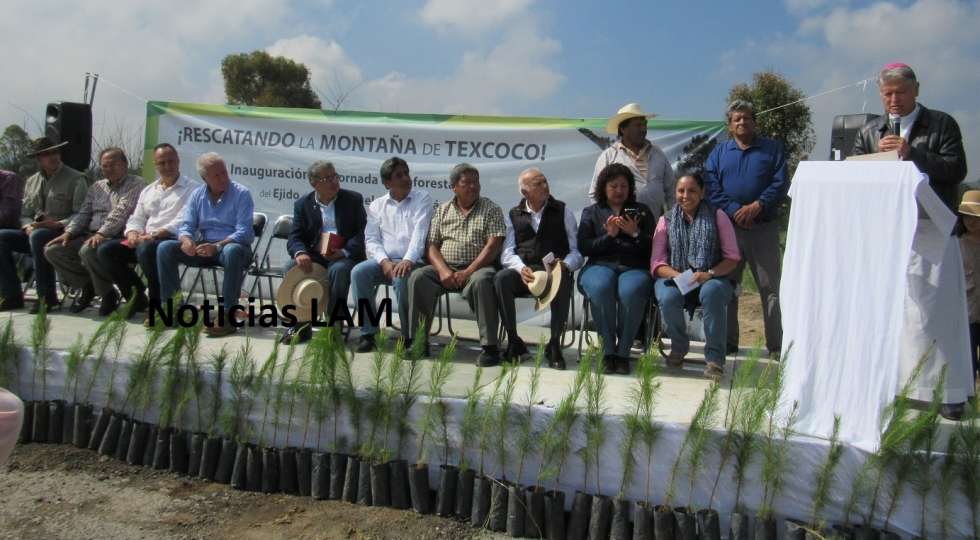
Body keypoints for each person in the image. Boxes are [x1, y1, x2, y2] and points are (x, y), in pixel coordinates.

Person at [704, 99, 788, 358]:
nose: (742, 122)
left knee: (771, 288)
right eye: (736, 119)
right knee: (726, 286)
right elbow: (711, 185)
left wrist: (757, 206)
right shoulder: (719, 153)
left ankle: (776, 346)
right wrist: (734, 210)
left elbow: (780, 182)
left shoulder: (773, 149)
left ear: (755, 121)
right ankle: (728, 343)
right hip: (728, 229)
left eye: (747, 118)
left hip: (763, 227)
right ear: (729, 125)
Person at [408, 163, 506, 366]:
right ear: (454, 187)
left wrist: (468, 271)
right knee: (419, 277)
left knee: (482, 281)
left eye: (476, 182)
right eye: (467, 183)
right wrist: (443, 270)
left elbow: (493, 245)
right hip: (446, 268)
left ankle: (489, 348)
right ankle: (419, 342)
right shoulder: (442, 210)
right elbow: (431, 245)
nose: (473, 187)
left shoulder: (491, 209)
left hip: (477, 267)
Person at [651, 172, 741, 381]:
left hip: (712, 276)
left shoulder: (718, 215)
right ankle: (679, 346)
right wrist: (680, 276)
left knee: (712, 293)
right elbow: (657, 263)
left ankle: (715, 359)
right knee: (668, 297)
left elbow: (732, 258)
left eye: (692, 191)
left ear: (702, 193)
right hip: (676, 275)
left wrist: (708, 274)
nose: (685, 195)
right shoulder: (666, 220)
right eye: (681, 191)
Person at [95, 143, 200, 319]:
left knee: (147, 250)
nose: (167, 167)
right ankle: (136, 298)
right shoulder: (149, 190)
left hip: (172, 240)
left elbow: (184, 220)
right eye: (161, 163)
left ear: (178, 162)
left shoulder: (193, 189)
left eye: (170, 161)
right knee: (106, 251)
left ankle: (158, 305)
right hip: (145, 239)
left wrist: (153, 235)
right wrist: (132, 233)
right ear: (156, 165)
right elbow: (137, 217)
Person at [157, 152, 255, 337]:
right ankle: (172, 308)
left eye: (224, 172)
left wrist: (217, 246)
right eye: (216, 175)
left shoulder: (241, 193)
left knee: (232, 251)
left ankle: (227, 314)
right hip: (204, 245)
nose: (223, 178)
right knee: (164, 248)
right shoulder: (197, 196)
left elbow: (244, 232)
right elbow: (186, 226)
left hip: (232, 245)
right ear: (205, 178)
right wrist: (186, 241)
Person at [495, 167, 582, 368]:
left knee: (564, 281)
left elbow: (576, 250)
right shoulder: (514, 214)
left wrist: (565, 264)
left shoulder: (562, 210)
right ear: (525, 192)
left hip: (554, 273)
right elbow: (507, 252)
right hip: (526, 273)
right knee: (501, 279)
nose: (545, 186)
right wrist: (520, 268)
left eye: (545, 181)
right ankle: (514, 340)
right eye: (538, 183)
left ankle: (554, 344)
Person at [853, 63, 967, 210]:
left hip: (929, 220)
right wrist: (877, 159)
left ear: (916, 89)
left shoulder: (942, 124)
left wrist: (911, 153)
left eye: (900, 92)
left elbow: (956, 171)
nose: (894, 100)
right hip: (885, 213)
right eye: (888, 94)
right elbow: (854, 177)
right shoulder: (867, 132)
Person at [44, 148, 144, 315]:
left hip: (117, 236)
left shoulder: (136, 183)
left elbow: (121, 213)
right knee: (53, 250)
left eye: (113, 165)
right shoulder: (97, 187)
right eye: (104, 166)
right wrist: (69, 232)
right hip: (90, 233)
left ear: (125, 164)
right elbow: (83, 213)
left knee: (88, 250)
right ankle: (88, 285)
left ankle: (107, 295)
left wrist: (101, 234)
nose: (108, 169)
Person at [578, 163, 654, 374]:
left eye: (624, 186)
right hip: (599, 265)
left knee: (631, 290)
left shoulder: (642, 211)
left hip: (634, 267)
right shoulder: (591, 212)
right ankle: (608, 350)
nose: (619, 190)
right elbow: (584, 247)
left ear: (630, 188)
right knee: (601, 287)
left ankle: (623, 353)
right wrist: (608, 236)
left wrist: (635, 233)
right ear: (603, 188)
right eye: (614, 186)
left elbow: (654, 248)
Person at [350, 157, 432, 352]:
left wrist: (407, 260)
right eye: (399, 175)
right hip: (385, 261)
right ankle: (368, 333)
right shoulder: (377, 205)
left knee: (402, 277)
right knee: (358, 272)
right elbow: (371, 239)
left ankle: (408, 336)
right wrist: (384, 261)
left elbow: (420, 235)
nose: (406, 178)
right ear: (387, 183)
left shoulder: (422, 198)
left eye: (406, 173)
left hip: (414, 260)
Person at [282, 160, 367, 344]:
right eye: (328, 178)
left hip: (343, 255)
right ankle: (301, 325)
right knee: (291, 266)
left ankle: (333, 326)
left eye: (335, 176)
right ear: (314, 183)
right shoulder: (303, 204)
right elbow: (294, 237)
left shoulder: (352, 200)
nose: (334, 182)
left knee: (338, 270)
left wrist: (343, 251)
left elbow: (363, 233)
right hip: (316, 255)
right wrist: (300, 253)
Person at [0, 137, 87, 312]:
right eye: (46, 154)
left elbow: (82, 214)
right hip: (35, 232)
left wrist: (57, 224)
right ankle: (11, 295)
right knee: (1, 237)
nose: (52, 157)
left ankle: (46, 297)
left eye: (55, 152)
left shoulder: (76, 178)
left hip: (65, 234)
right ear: (39, 158)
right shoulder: (32, 181)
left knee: (39, 237)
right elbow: (24, 213)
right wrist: (27, 226)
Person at [589, 103, 675, 221]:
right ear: (623, 129)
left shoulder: (658, 154)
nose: (643, 129)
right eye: (638, 125)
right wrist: (610, 222)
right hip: (620, 232)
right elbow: (595, 193)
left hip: (656, 229)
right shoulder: (609, 156)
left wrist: (670, 221)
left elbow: (671, 190)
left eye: (645, 125)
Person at [958, 190, 980, 383]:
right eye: (968, 217)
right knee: (969, 357)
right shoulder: (957, 245)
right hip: (968, 312)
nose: (972, 222)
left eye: (976, 218)